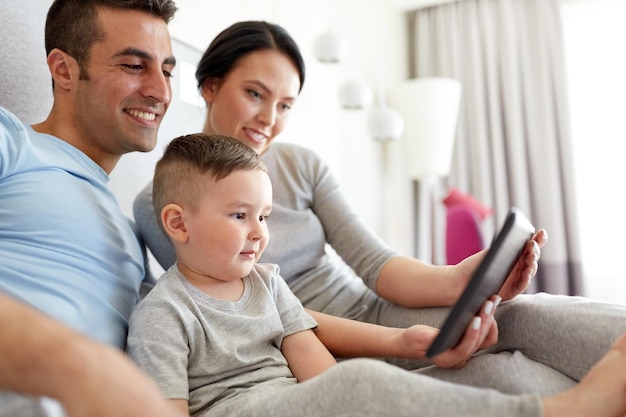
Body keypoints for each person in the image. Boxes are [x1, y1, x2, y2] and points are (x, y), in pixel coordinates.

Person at [133, 20, 626, 393]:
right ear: (210, 87)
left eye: (285, 105)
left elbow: (376, 265)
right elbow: (245, 312)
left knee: (522, 313)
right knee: (514, 374)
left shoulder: (300, 164)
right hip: (319, 345)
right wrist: (394, 341)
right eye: (255, 94)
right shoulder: (165, 202)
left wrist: (461, 279)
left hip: (377, 311)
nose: (269, 118)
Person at [127, 132, 626, 417]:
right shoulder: (163, 313)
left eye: (264, 216)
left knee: (493, 362)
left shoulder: (267, 282)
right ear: (177, 223)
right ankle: (570, 411)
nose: (259, 232)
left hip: (298, 402)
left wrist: (351, 395)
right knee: (361, 381)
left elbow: (316, 367)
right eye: (240, 216)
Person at [0, 0, 185, 416]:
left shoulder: (129, 238)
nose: (161, 90)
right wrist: (81, 367)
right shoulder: (12, 144)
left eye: (167, 70)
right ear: (64, 69)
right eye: (135, 66)